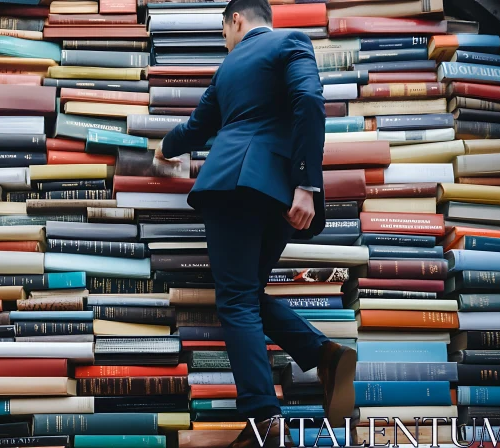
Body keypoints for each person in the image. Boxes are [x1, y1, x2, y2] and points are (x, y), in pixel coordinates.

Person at [155, 0, 357, 446]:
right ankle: (324, 355)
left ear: (236, 20)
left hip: (234, 184)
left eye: (224, 31)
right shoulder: (290, 44)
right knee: (246, 294)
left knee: (235, 302)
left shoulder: (233, 66)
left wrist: (163, 150)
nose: (225, 41)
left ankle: (264, 421)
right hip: (279, 194)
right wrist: (302, 186)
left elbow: (197, 126)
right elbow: (301, 100)